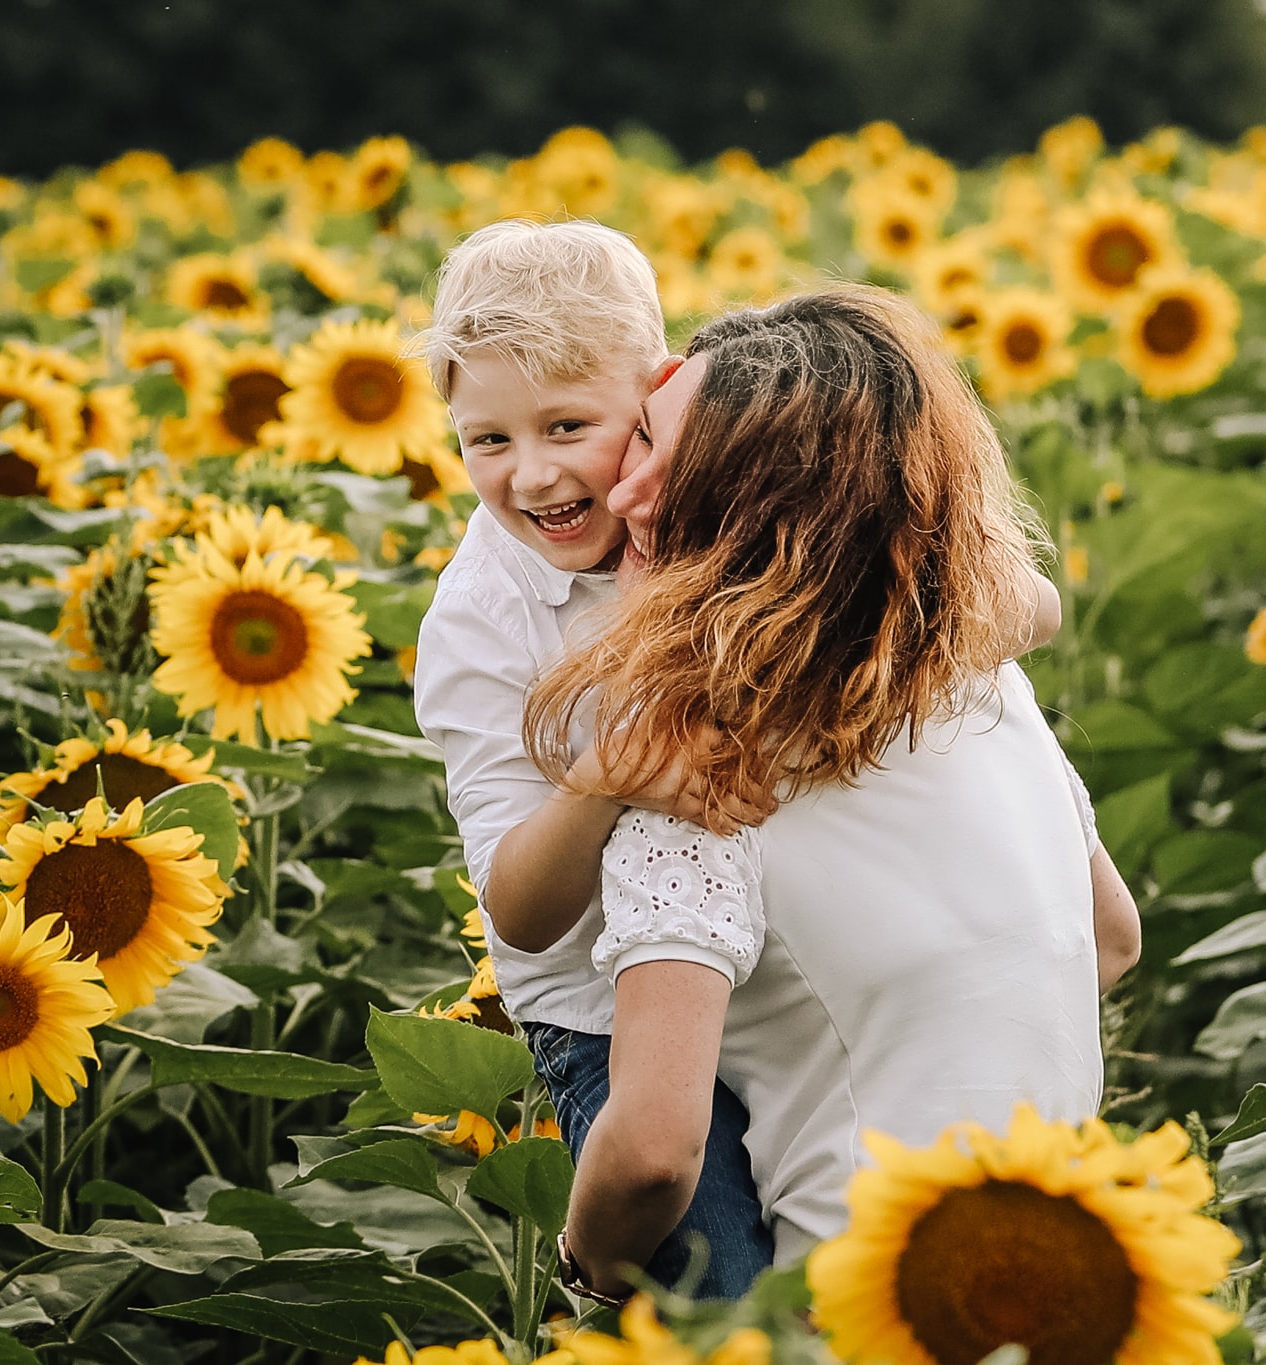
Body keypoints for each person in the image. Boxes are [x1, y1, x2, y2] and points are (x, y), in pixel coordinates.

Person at [516, 288, 1144, 1298]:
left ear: (767, 516)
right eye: (637, 443)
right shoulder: (984, 686)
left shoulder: (696, 780)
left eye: (678, 475)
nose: (624, 500)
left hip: (863, 1314)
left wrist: (581, 1269)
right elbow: (1109, 940)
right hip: (1067, 1287)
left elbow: (650, 1155)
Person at [409, 217, 776, 1297]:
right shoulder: (480, 624)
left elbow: (1017, 606)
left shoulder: (723, 503)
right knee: (727, 1300)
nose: (530, 474)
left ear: (657, 397)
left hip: (776, 978)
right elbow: (518, 912)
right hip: (605, 1018)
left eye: (566, 425)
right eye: (486, 440)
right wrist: (602, 777)